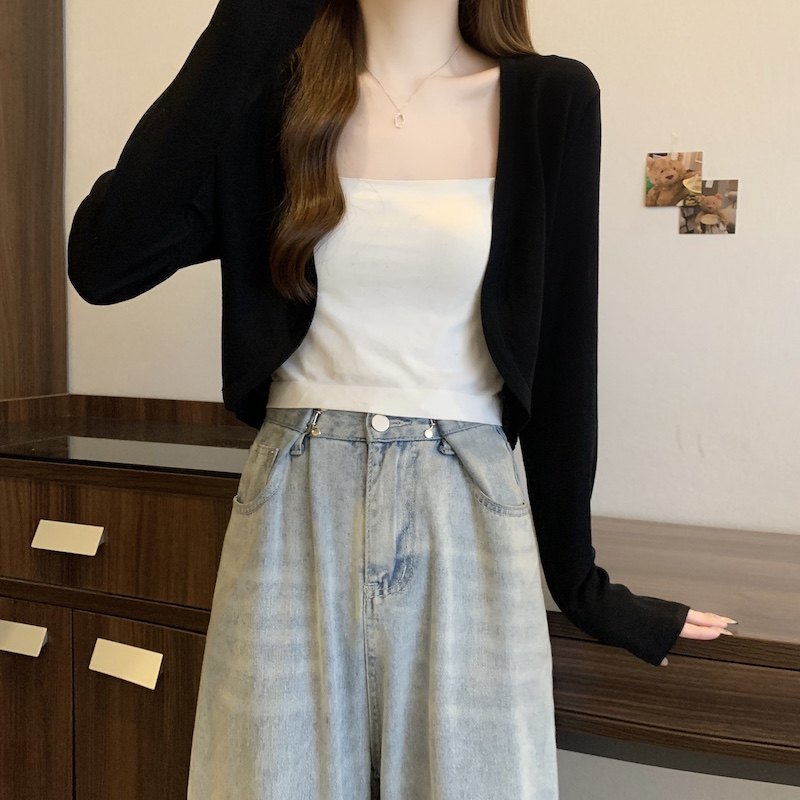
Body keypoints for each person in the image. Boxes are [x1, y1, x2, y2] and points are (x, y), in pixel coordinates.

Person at [67, 1, 737, 797]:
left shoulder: (551, 100)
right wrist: (249, 27)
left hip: (467, 511)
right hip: (291, 513)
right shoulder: (271, 102)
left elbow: (563, 349)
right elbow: (104, 263)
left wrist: (581, 584)